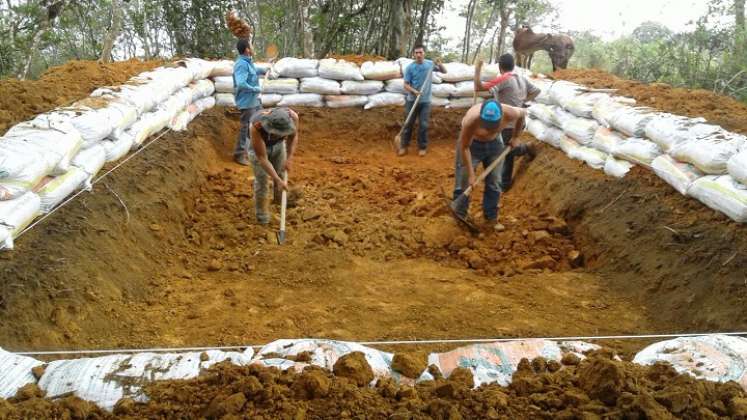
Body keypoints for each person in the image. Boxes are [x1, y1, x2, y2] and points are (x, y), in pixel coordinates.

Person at [453, 99, 527, 231]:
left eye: (493, 124)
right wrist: (471, 174)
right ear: (481, 116)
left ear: (500, 116)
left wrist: (516, 136)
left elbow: (523, 114)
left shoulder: (510, 112)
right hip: (472, 146)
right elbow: (464, 147)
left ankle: (491, 218)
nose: (489, 127)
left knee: (494, 181)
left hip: (495, 144)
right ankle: (459, 213)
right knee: (463, 181)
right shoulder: (471, 121)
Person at [474, 53, 539, 191]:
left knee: (506, 151)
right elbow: (536, 91)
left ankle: (505, 183)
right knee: (505, 149)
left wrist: (478, 69)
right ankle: (525, 148)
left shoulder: (503, 78)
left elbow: (479, 87)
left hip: (508, 123)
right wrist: (524, 101)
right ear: (513, 65)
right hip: (519, 121)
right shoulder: (521, 78)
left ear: (499, 67)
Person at [249, 107, 299, 225]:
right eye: (276, 134)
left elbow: (293, 136)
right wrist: (275, 179)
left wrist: (289, 157)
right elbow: (262, 158)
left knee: (281, 173)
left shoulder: (293, 117)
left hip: (279, 146)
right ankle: (262, 217)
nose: (278, 135)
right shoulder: (256, 126)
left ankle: (280, 200)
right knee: (262, 181)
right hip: (258, 148)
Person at [398, 44, 447, 157]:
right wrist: (414, 91)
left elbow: (444, 72)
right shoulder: (410, 68)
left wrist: (439, 64)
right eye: (417, 53)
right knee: (408, 123)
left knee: (424, 125)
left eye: (421, 52)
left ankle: (422, 147)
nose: (419, 55)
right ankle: (404, 146)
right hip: (412, 100)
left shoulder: (430, 64)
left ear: (424, 53)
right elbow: (405, 85)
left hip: (425, 101)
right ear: (414, 54)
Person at [233, 38, 267, 166]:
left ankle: (255, 150)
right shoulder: (241, 64)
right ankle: (239, 154)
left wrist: (263, 70)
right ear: (247, 49)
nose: (253, 48)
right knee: (246, 128)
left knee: (260, 123)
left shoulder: (248, 62)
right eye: (251, 46)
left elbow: (253, 71)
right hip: (247, 102)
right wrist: (255, 88)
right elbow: (241, 83)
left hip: (254, 100)